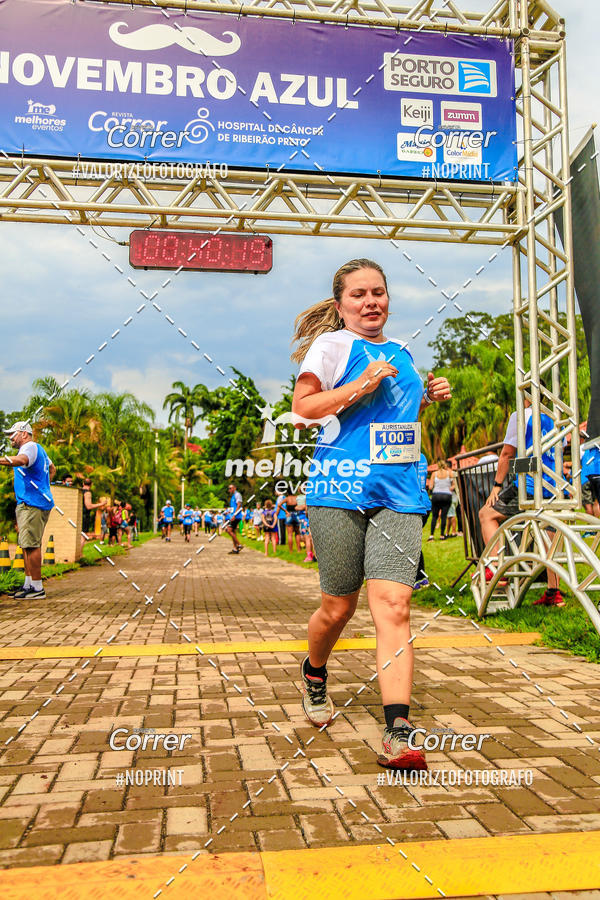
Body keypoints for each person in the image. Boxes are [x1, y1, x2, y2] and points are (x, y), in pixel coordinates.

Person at [291, 258, 451, 771]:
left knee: (394, 604)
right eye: (358, 294)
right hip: (339, 491)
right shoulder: (332, 347)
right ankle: (314, 672)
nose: (371, 302)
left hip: (400, 492)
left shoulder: (403, 352)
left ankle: (398, 732)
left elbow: (398, 421)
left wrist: (426, 397)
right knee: (338, 607)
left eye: (378, 292)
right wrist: (361, 382)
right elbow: (304, 408)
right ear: (341, 306)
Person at [479, 399, 563, 606]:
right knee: (549, 537)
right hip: (554, 485)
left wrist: (497, 485)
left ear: (525, 394)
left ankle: (499, 567)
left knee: (486, 514)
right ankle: (554, 593)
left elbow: (507, 453)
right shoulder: (555, 419)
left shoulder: (520, 416)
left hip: (528, 485)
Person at [0, 421, 55, 600]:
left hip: (32, 504)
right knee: (26, 544)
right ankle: (29, 584)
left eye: (13, 434)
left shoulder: (30, 447)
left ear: (24, 433)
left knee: (31, 545)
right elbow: (52, 468)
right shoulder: (38, 450)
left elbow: (21, 461)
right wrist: (43, 486)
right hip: (30, 502)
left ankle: (37, 588)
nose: (10, 438)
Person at [414, 452, 431, 590]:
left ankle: (420, 578)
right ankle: (420, 577)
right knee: (413, 542)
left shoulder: (405, 455)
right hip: (424, 502)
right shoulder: (422, 456)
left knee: (411, 543)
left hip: (415, 503)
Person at [427, 460, 454, 541]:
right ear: (445, 465)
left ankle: (431, 535)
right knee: (444, 516)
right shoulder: (449, 473)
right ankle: (442, 535)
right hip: (447, 495)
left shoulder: (434, 474)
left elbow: (431, 487)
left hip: (436, 495)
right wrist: (448, 488)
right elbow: (454, 485)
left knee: (434, 516)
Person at [81, 478, 106, 549]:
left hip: (78, 515)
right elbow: (88, 506)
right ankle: (79, 554)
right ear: (91, 485)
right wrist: (102, 504)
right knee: (83, 535)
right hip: (84, 516)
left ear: (83, 483)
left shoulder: (79, 491)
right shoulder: (87, 493)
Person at [225, 484, 244, 554]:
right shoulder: (233, 496)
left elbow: (239, 505)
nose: (229, 490)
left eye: (230, 488)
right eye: (228, 488)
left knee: (228, 530)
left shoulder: (237, 495)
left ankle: (239, 545)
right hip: (234, 515)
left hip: (236, 516)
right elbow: (234, 507)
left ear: (234, 488)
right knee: (233, 532)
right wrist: (229, 512)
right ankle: (235, 548)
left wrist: (234, 515)